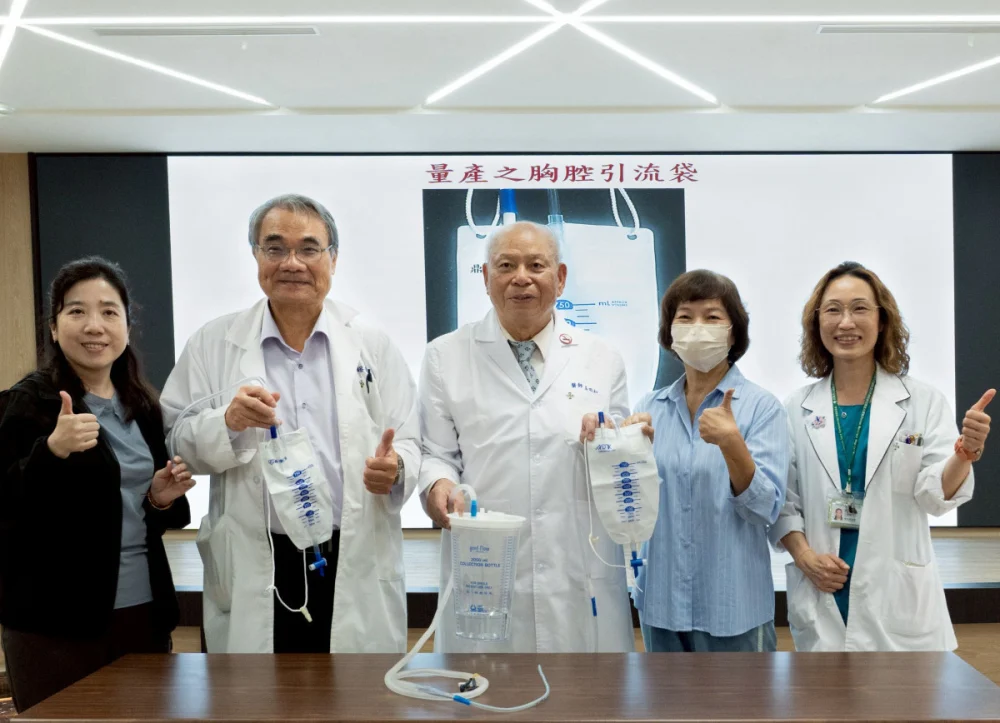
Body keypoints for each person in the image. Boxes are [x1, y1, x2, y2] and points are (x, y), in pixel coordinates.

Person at [160, 194, 420, 654]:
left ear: (333, 259)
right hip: (258, 555)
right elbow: (175, 439)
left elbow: (412, 439)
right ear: (256, 256)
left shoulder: (372, 344)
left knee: (353, 688)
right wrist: (228, 422)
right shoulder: (213, 343)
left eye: (309, 249)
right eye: (275, 248)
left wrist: (396, 469)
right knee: (256, 690)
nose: (292, 263)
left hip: (350, 554)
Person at [420, 221, 636, 653]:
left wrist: (621, 443)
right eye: (506, 266)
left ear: (560, 277)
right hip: (485, 564)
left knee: (586, 689)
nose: (521, 277)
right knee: (489, 687)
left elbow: (621, 465)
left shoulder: (602, 357)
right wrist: (438, 484)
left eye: (536, 265)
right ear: (486, 278)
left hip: (577, 569)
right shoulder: (445, 355)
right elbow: (436, 453)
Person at [0, 257, 193, 712]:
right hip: (54, 622)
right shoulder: (27, 403)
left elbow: (139, 512)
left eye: (109, 312)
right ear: (53, 327)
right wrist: (51, 451)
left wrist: (159, 498)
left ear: (126, 325)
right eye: (77, 311)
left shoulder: (142, 406)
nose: (95, 326)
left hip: (142, 611)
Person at [772, 261, 993, 651]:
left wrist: (965, 454)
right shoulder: (796, 407)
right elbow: (785, 501)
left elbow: (934, 495)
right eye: (833, 310)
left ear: (882, 320)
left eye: (859, 308)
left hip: (898, 599)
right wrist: (805, 558)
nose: (846, 323)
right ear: (817, 323)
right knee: (826, 691)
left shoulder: (922, 401)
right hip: (825, 590)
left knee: (906, 692)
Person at [628, 270, 788, 653]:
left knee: (742, 696)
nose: (697, 328)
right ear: (670, 333)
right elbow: (630, 508)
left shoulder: (761, 407)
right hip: (662, 603)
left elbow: (765, 509)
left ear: (733, 333)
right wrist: (619, 452)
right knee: (663, 696)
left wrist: (733, 445)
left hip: (733, 607)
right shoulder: (649, 408)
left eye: (712, 317)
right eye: (685, 317)